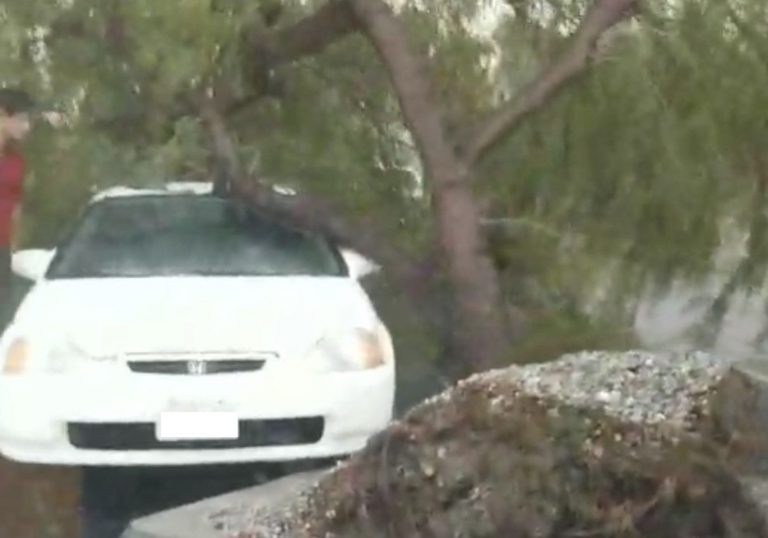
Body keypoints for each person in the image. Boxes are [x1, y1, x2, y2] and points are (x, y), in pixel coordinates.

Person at [0, 89, 33, 317]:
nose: (26, 127)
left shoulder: (15, 160)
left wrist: (14, 248)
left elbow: (16, 206)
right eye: (21, 119)